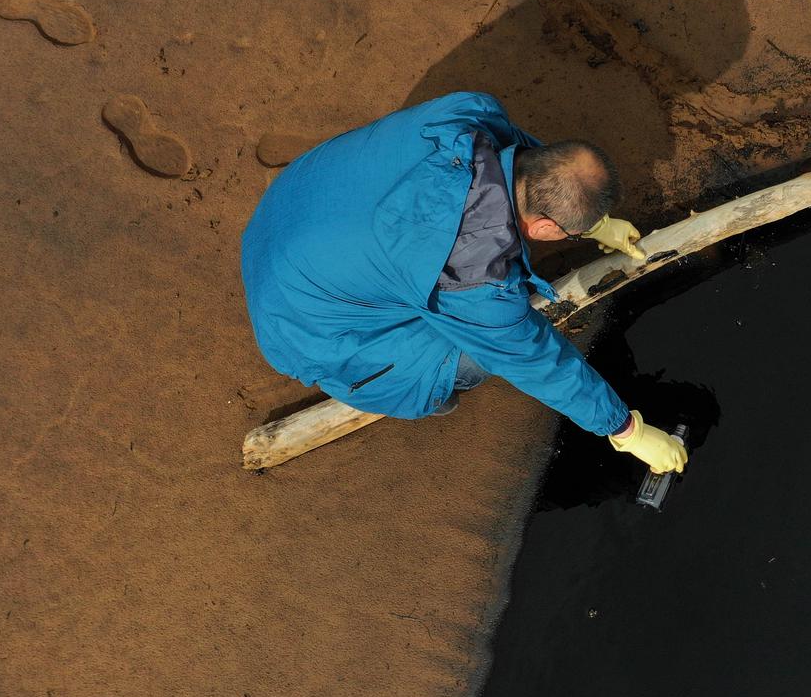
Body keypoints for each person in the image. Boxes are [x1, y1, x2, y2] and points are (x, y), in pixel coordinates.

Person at [239, 91, 686, 473]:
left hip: (287, 208)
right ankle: (421, 390)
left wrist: (594, 225)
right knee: (485, 351)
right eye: (567, 231)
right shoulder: (471, 273)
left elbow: (530, 162)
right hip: (299, 328)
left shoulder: (472, 111)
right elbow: (534, 360)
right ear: (549, 229)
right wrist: (627, 431)